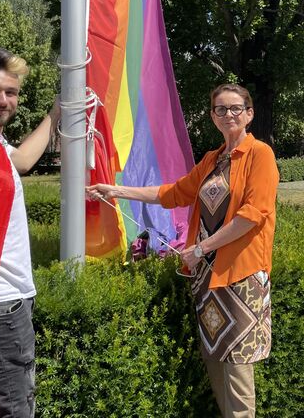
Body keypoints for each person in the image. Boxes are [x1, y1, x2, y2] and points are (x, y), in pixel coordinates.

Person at [88, 83, 278, 417]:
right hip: (208, 277)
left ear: (249, 114)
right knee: (214, 357)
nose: (229, 114)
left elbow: (252, 216)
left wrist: (201, 248)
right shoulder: (212, 160)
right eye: (221, 109)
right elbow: (173, 193)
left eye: (236, 108)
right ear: (213, 116)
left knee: (237, 364)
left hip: (241, 275)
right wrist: (116, 190)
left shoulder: (260, 154)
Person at [0, 46, 59, 417]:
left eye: (11, 92)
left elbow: (20, 160)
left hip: (4, 304)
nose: (3, 100)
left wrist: (56, 112)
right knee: (12, 409)